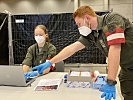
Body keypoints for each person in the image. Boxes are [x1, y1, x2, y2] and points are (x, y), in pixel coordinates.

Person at [32, 5, 133, 100]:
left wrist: (111, 81)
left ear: (87, 18)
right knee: (127, 92)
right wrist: (50, 62)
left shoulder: (112, 19)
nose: (78, 27)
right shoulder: (92, 33)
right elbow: (73, 48)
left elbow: (115, 48)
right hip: (127, 68)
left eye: (79, 24)